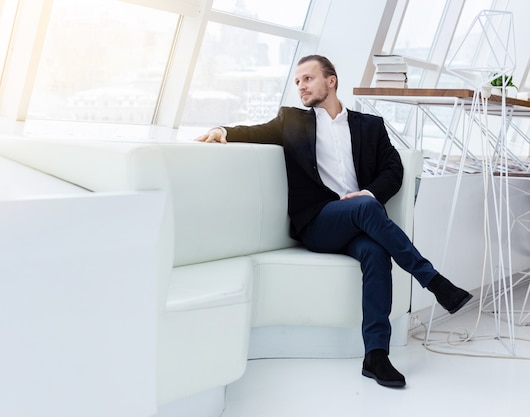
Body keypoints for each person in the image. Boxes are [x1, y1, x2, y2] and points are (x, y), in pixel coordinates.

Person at [195, 55, 473, 388]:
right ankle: (435, 282)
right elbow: (254, 131)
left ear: (331, 81)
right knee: (367, 209)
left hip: (358, 224)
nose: (300, 86)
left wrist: (369, 192)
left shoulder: (370, 126)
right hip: (318, 223)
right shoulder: (292, 121)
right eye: (297, 81)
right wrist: (221, 130)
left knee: (376, 252)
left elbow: (394, 170)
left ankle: (376, 356)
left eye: (308, 79)